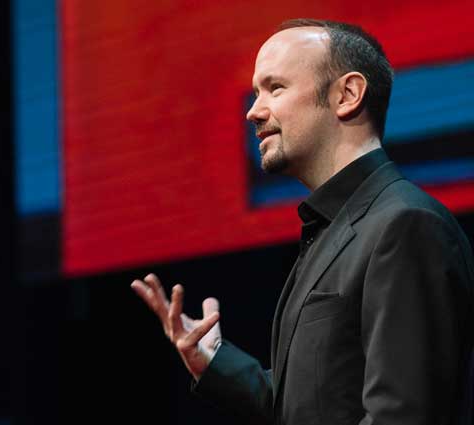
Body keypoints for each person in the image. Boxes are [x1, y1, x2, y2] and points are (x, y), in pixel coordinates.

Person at [131, 19, 474, 425]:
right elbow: (313, 407)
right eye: (257, 92)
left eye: (275, 89)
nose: (253, 112)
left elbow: (401, 416)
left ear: (347, 95)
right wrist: (214, 364)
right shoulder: (334, 231)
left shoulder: (404, 226)